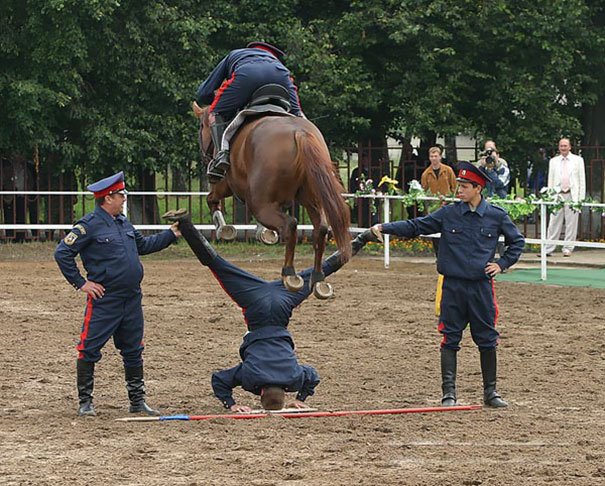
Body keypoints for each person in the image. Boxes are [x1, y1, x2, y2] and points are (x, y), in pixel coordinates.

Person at [163, 209, 377, 411]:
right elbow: (219, 379)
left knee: (321, 271)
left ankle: (364, 238)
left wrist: (299, 398)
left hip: (284, 303)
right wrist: (230, 404)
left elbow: (312, 376)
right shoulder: (249, 378)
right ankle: (186, 223)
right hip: (254, 304)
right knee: (217, 265)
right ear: (261, 392)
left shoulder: (294, 378)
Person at [371, 162, 525, 408]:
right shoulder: (448, 213)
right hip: (452, 286)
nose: (459, 191)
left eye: (464, 187)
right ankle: (449, 393)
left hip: (481, 288)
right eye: (459, 186)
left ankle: (491, 393)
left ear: (478, 188)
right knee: (449, 338)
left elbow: (517, 242)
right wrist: (384, 227)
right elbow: (416, 226)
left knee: (486, 339)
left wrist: (502, 264)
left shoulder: (496, 215)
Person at [54, 171, 181, 417]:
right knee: (89, 348)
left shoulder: (124, 223)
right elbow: (62, 253)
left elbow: (142, 246)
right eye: (120, 194)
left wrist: (171, 235)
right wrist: (81, 283)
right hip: (105, 299)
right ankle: (86, 404)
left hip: (131, 298)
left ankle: (137, 401)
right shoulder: (88, 225)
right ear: (107, 198)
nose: (124, 198)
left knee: (134, 349)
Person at [196, 42, 304, 181]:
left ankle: (222, 155)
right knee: (299, 116)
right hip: (281, 75)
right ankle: (321, 155)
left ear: (250, 49)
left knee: (213, 114)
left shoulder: (235, 54)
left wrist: (219, 103)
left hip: (247, 74)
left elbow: (204, 92)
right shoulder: (275, 61)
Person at [544, 138, 586, 257]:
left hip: (572, 195)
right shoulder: (553, 161)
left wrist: (580, 199)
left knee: (571, 223)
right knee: (554, 222)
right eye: (561, 146)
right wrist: (551, 196)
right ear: (559, 147)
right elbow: (550, 180)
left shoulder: (578, 160)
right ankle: (549, 248)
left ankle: (568, 248)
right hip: (557, 195)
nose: (563, 148)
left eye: (565, 146)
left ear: (570, 147)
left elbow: (582, 180)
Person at [420, 146, 457, 257]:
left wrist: (452, 200)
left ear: (440, 157)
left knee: (450, 231)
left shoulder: (448, 170)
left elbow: (454, 187)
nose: (434, 158)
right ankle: (438, 255)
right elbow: (423, 191)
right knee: (435, 232)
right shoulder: (426, 174)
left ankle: (450, 255)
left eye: (436, 156)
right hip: (434, 208)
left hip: (448, 205)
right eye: (432, 156)